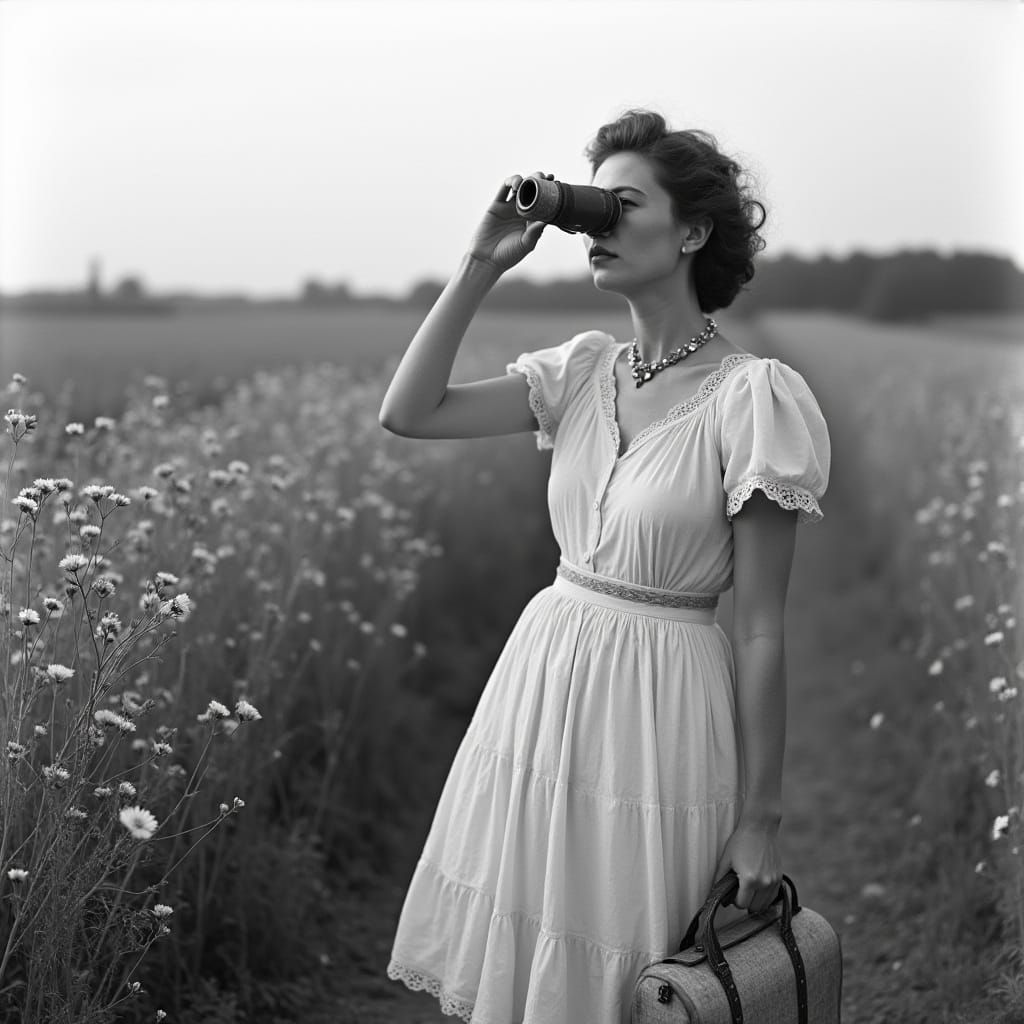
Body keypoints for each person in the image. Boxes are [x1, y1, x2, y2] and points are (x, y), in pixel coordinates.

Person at [380, 108, 831, 1024]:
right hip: (543, 682)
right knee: (530, 953)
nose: (597, 224)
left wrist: (761, 817)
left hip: (660, 705)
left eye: (623, 205)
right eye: (595, 204)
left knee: (635, 969)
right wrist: (480, 263)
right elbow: (411, 411)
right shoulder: (582, 371)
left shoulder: (754, 399)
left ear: (694, 231)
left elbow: (762, 624)